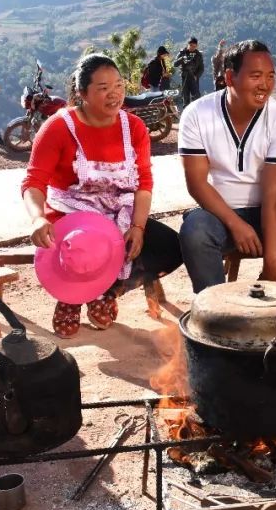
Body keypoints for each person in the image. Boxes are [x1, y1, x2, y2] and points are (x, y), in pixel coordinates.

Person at [22, 53, 182, 337]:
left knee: (170, 247)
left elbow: (143, 182)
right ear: (82, 93)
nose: (114, 94)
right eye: (103, 88)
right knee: (87, 244)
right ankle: (70, 297)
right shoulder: (59, 128)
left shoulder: (133, 128)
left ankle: (107, 289)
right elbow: (34, 182)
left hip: (118, 211)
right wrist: (37, 219)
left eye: (119, 85)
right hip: (71, 217)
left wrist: (137, 226)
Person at [178, 40, 276, 293]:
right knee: (194, 230)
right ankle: (214, 305)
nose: (265, 84)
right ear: (230, 77)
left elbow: (272, 197)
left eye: (270, 76)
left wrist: (271, 260)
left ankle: (275, 284)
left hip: (268, 212)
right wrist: (235, 223)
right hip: (218, 214)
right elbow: (196, 184)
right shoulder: (197, 114)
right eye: (255, 76)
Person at [174, 37, 205, 107]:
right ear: (188, 44)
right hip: (184, 78)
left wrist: (196, 76)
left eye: (194, 46)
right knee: (186, 99)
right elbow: (175, 64)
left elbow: (201, 68)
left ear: (196, 46)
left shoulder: (198, 55)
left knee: (196, 98)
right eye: (191, 45)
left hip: (194, 78)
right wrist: (182, 59)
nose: (192, 48)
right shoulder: (182, 53)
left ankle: (197, 115)